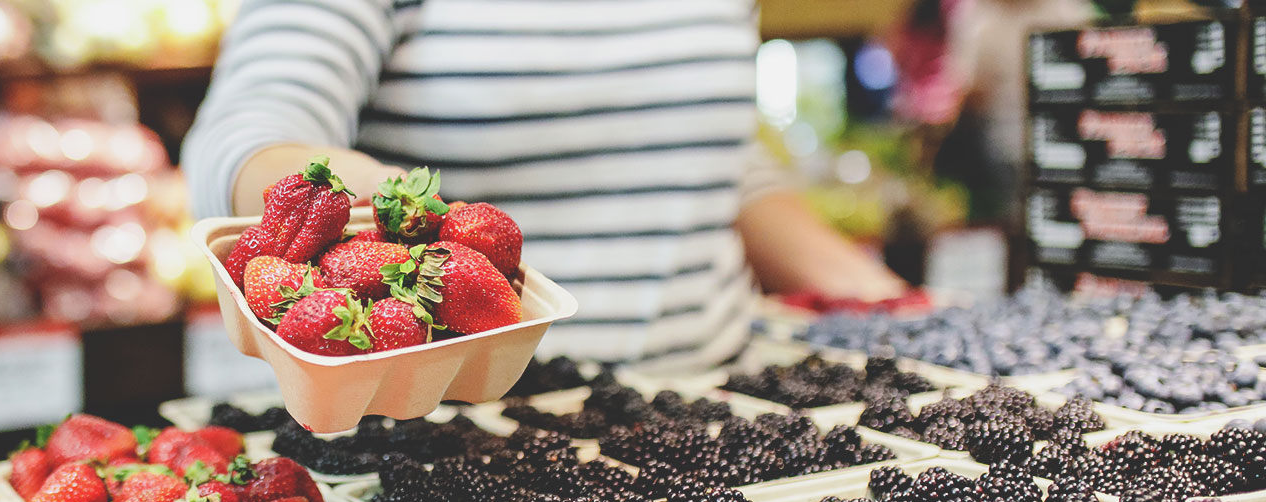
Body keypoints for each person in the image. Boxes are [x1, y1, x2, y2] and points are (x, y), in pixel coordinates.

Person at [182, 0, 907, 370]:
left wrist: (881, 296)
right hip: (447, 444)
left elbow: (699, 150)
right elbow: (239, 139)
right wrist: (384, 205)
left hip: (704, 414)